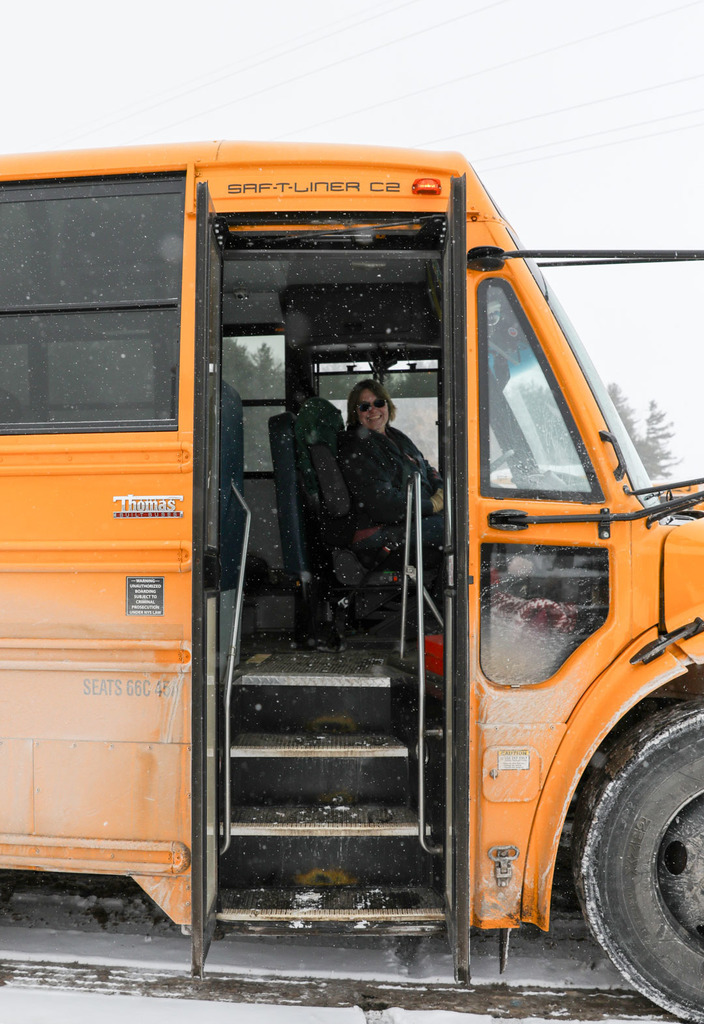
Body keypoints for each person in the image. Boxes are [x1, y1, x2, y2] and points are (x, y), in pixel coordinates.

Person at [338, 379, 444, 588]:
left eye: (378, 403)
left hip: (411, 520)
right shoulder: (356, 446)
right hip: (383, 534)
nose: (373, 410)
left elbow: (426, 467)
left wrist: (440, 489)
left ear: (387, 405)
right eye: (364, 407)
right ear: (355, 413)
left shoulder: (396, 436)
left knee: (461, 522)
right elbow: (383, 504)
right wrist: (432, 505)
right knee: (459, 529)